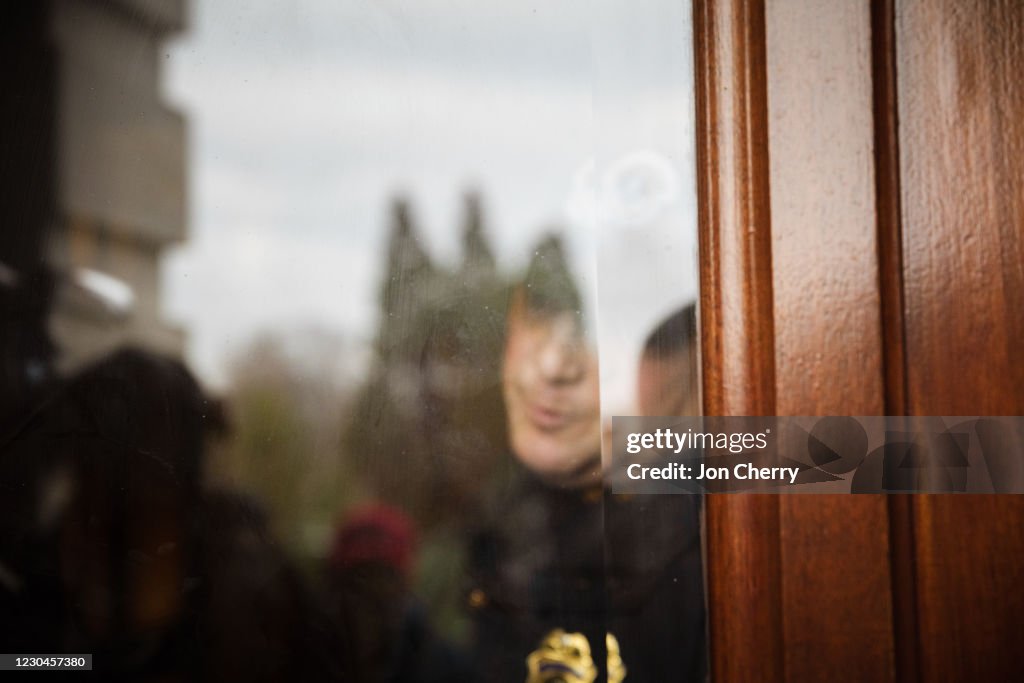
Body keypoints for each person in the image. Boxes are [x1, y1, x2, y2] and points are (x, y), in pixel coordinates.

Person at [465, 237, 706, 682]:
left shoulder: (720, 548)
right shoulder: (492, 526)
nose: (554, 367)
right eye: (536, 328)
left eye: (593, 333)